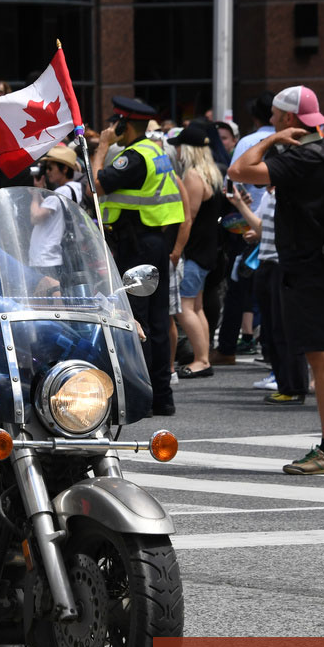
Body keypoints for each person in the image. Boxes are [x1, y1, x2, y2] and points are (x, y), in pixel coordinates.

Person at [228, 85, 324, 475]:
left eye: (277, 119)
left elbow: (239, 170)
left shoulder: (303, 157)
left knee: (321, 354)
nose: (272, 123)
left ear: (289, 120)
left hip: (308, 266)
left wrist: (271, 142)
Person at [91, 96, 187, 416]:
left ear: (123, 125)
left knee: (135, 321)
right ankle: (162, 396)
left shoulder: (131, 159)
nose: (110, 128)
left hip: (135, 244)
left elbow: (96, 184)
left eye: (114, 124)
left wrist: (102, 147)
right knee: (158, 322)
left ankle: (139, 397)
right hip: (154, 242)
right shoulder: (156, 152)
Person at [169, 121, 223, 380]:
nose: (176, 152)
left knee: (184, 308)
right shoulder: (210, 174)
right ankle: (203, 356)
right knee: (196, 306)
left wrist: (177, 249)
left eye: (178, 147)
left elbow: (186, 218)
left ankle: (202, 359)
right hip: (206, 250)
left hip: (194, 251)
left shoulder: (192, 176)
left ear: (187, 150)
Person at [28, 143, 82, 275]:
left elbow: (35, 217)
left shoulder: (61, 192)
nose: (47, 172)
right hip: (56, 254)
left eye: (50, 168)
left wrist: (35, 195)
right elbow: (54, 213)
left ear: (64, 169)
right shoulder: (75, 189)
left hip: (47, 256)